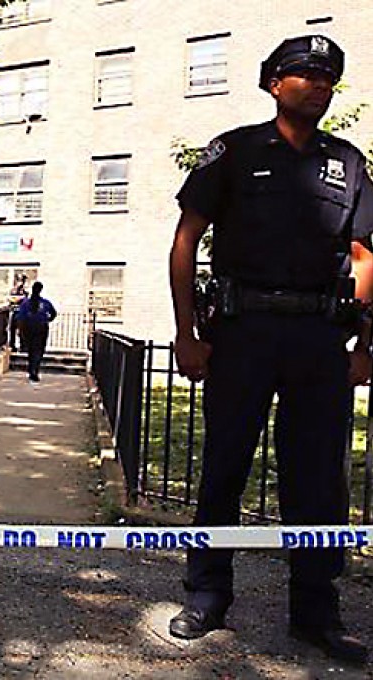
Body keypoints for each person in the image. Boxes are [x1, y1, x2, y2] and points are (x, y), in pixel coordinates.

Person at [167, 34, 373, 664]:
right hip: (243, 331)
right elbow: (186, 240)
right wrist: (186, 333)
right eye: (304, 73)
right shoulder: (233, 151)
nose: (318, 83)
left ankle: (316, 611)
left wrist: (365, 343)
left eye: (327, 77)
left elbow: (365, 256)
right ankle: (207, 594)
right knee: (225, 464)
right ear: (273, 83)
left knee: (318, 479)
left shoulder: (348, 162)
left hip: (319, 337)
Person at [15, 281, 57, 382]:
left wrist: (20, 329)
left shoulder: (26, 303)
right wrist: (47, 319)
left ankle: (31, 370)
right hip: (41, 327)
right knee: (39, 350)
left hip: (29, 328)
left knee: (31, 350)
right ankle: (35, 370)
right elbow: (54, 313)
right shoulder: (45, 303)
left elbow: (20, 317)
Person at [8, 275, 29, 351]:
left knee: (22, 330)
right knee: (12, 329)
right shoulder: (13, 290)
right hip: (14, 312)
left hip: (22, 313)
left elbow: (26, 300)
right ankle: (12, 345)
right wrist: (20, 298)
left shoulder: (24, 291)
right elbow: (11, 299)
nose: (21, 283)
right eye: (20, 281)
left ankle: (23, 346)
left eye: (22, 281)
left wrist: (20, 298)